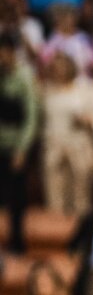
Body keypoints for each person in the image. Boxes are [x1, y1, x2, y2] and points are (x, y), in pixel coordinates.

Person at [40, 51, 93, 219]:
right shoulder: (46, 91)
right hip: (54, 149)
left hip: (80, 147)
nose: (59, 71)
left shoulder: (87, 89)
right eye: (55, 67)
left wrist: (88, 120)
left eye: (63, 66)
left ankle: (80, 233)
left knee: (81, 197)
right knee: (54, 195)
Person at [0, 30, 37, 254]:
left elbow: (31, 117)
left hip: (16, 147)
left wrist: (22, 149)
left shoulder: (24, 78)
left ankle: (17, 243)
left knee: (16, 198)